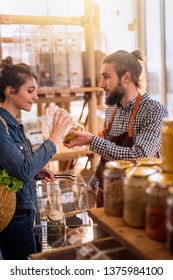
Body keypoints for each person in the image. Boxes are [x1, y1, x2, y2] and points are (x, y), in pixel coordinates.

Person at [64, 49, 168, 206]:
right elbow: (110, 153)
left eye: (106, 77)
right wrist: (95, 180)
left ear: (126, 77)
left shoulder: (154, 111)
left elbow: (139, 157)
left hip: (139, 200)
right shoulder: (111, 110)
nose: (101, 84)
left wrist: (92, 141)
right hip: (109, 195)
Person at [0, 56, 71, 260]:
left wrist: (36, 170)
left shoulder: (14, 125)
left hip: (26, 213)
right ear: (10, 92)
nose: (36, 97)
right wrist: (54, 137)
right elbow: (22, 170)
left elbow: (17, 168)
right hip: (14, 219)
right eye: (30, 90)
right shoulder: (1, 126)